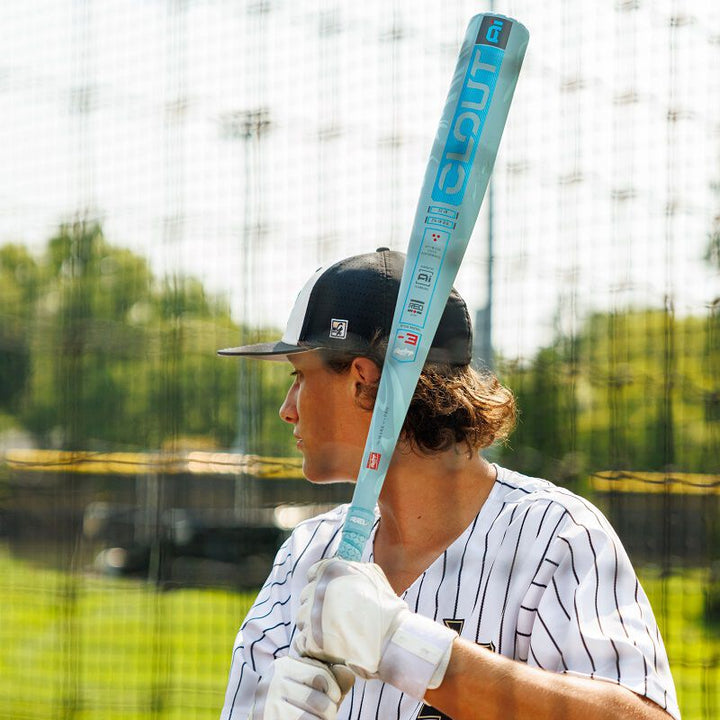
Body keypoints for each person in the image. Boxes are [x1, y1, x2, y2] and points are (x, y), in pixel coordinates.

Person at [217, 248, 680, 720]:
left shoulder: (555, 534)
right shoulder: (307, 554)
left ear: (361, 381)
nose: (287, 408)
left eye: (300, 375)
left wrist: (407, 648)